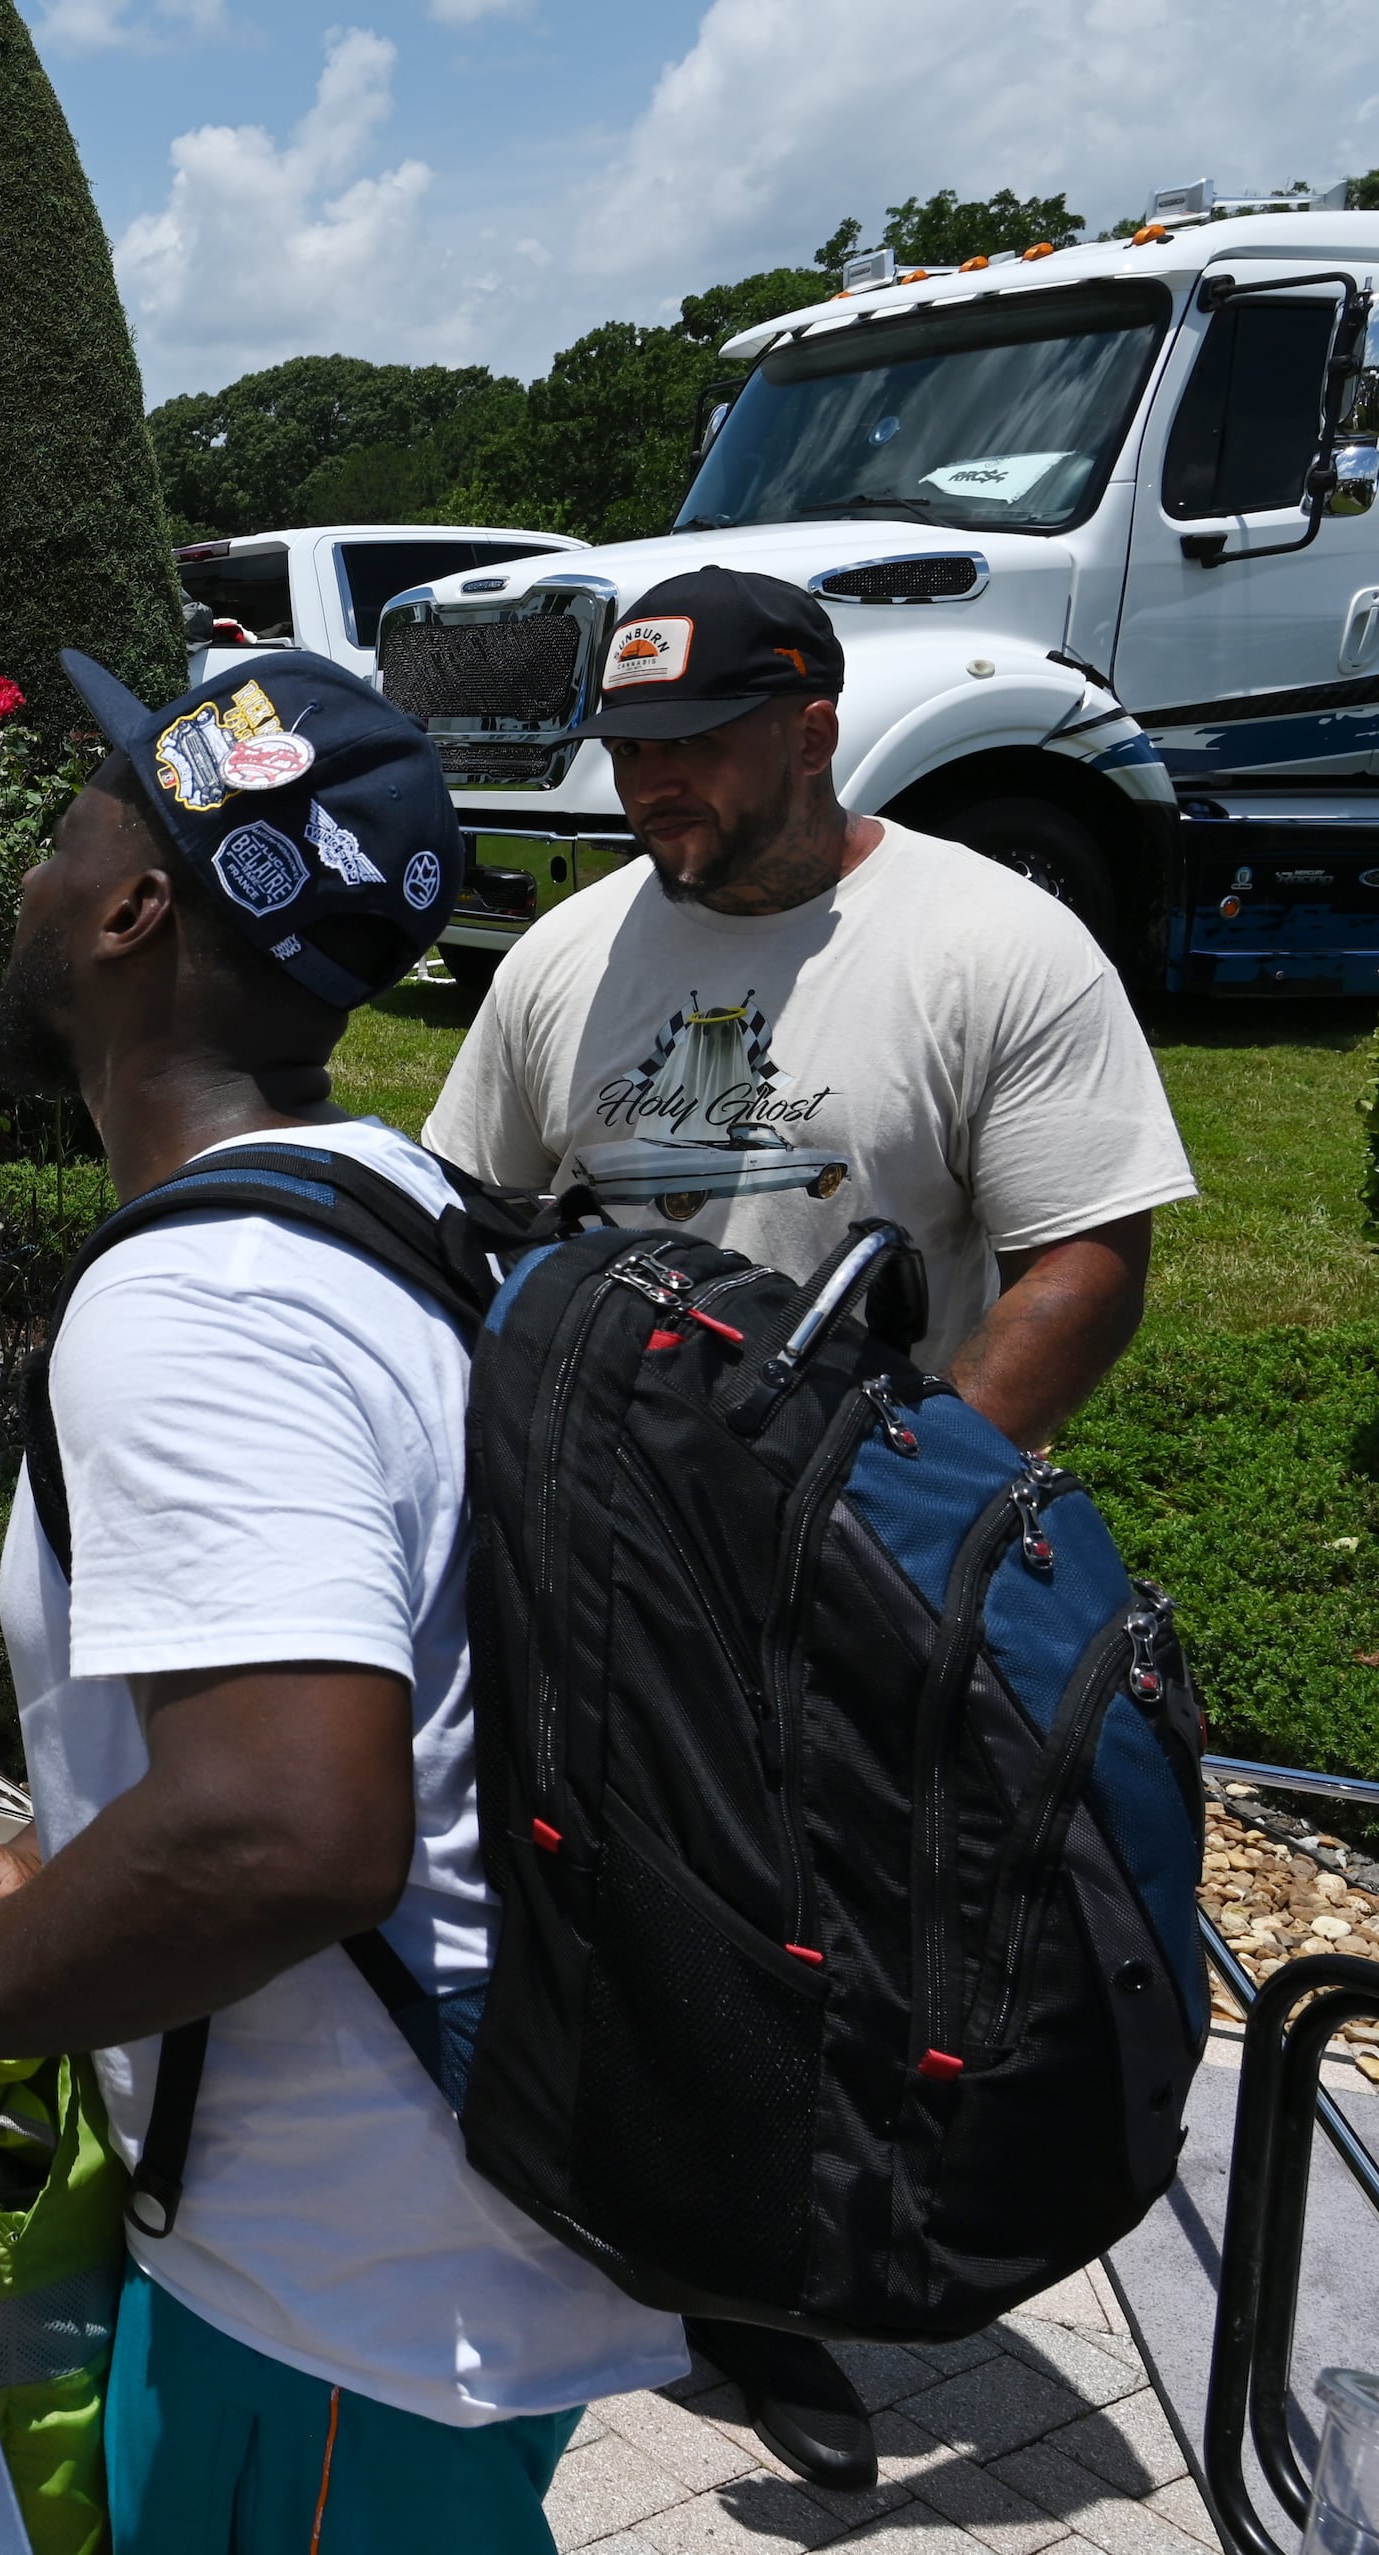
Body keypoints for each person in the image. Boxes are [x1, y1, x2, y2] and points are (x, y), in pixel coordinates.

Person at [0, 646, 686, 2552]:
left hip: (343, 2307)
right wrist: (53, 1879)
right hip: (435, 2253)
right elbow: (406, 1710)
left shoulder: (202, 1304)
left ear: (134, 912)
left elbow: (287, 1835)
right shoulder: (400, 1209)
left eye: (71, 830)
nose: (34, 871)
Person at [420, 566, 1194, 2487]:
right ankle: (562, 2205)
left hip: (838, 1567)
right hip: (585, 1548)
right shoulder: (568, 959)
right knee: (573, 1892)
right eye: (629, 752)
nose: (650, 789)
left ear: (814, 726)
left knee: (797, 1935)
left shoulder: (987, 943)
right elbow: (467, 1226)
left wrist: (898, 1521)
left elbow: (1087, 1259)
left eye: (692, 750)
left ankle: (763, 2288)